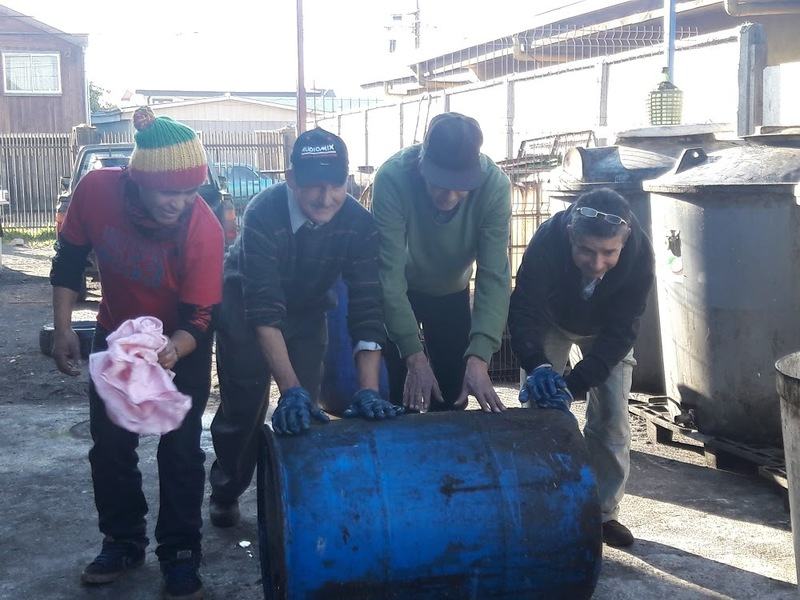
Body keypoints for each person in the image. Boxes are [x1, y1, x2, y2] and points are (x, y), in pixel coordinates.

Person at [50, 106, 223, 599]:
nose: (180, 203)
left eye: (190, 192)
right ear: (140, 179)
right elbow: (68, 260)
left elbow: (201, 316)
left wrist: (175, 349)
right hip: (117, 335)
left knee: (181, 449)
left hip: (181, 339)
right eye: (171, 191)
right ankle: (123, 541)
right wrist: (64, 328)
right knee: (110, 445)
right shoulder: (97, 191)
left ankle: (181, 552)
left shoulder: (202, 228)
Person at [208, 127, 397, 528]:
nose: (325, 197)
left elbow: (366, 306)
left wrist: (367, 389)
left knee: (305, 412)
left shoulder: (359, 225)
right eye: (313, 185)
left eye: (336, 185)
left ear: (348, 180)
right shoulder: (263, 211)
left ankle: (296, 499)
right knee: (243, 410)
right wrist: (286, 387)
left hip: (310, 309)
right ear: (291, 178)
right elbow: (264, 309)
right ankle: (226, 487)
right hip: (246, 308)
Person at [508, 188, 654, 548]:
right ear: (571, 235)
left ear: (625, 241)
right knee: (539, 416)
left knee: (613, 421)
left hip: (606, 331)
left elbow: (624, 329)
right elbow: (524, 307)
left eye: (609, 252)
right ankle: (542, 505)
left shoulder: (640, 253)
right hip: (552, 320)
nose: (598, 262)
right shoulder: (546, 240)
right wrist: (538, 365)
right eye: (587, 250)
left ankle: (603, 514)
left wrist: (576, 383)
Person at [372, 112, 512, 414]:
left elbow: (494, 276)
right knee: (402, 393)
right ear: (422, 164)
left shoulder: (495, 186)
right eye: (439, 183)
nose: (449, 196)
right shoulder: (392, 178)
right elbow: (388, 276)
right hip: (402, 290)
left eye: (461, 186)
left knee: (452, 395)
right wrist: (413, 353)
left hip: (452, 290)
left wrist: (480, 356)